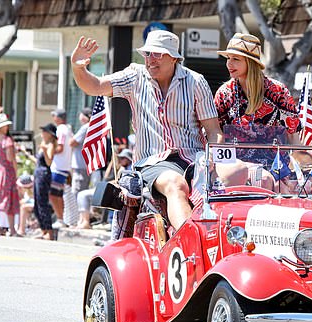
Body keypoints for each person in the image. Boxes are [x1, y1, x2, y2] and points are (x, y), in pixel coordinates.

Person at [71, 30, 222, 230]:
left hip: (195, 159)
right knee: (175, 184)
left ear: (174, 58)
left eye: (157, 54)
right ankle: (192, 245)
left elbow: (214, 132)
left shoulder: (196, 81)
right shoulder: (135, 76)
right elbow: (96, 86)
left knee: (238, 176)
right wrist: (78, 68)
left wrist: (214, 162)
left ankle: (231, 244)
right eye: (147, 54)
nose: (150, 59)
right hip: (152, 161)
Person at [214, 32, 301, 189]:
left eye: (235, 59)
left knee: (289, 190)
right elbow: (217, 135)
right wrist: (215, 166)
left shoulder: (278, 91)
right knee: (263, 180)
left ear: (250, 62)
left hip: (277, 167)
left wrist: (298, 171)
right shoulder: (224, 93)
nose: (229, 64)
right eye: (228, 58)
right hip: (238, 167)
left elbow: (293, 136)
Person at [77, 149, 133, 230]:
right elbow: (106, 177)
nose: (120, 160)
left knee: (112, 197)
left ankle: (109, 221)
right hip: (106, 187)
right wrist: (112, 162)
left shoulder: (130, 169)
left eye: (123, 158)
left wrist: (113, 182)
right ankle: (83, 220)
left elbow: (122, 182)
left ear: (128, 159)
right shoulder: (121, 168)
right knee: (82, 195)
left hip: (117, 191)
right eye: (120, 158)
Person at [49, 108, 73, 228]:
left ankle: (60, 218)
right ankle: (61, 218)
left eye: (54, 116)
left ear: (58, 118)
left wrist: (48, 151)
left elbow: (60, 147)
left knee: (53, 194)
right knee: (58, 194)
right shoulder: (68, 129)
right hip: (64, 166)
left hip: (58, 166)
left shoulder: (61, 129)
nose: (53, 118)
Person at [32, 124, 57, 240]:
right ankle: (43, 229)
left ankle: (49, 231)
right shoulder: (45, 145)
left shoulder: (50, 145)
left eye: (44, 132)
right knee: (37, 204)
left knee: (42, 203)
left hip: (44, 174)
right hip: (38, 173)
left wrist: (45, 150)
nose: (42, 134)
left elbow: (48, 162)